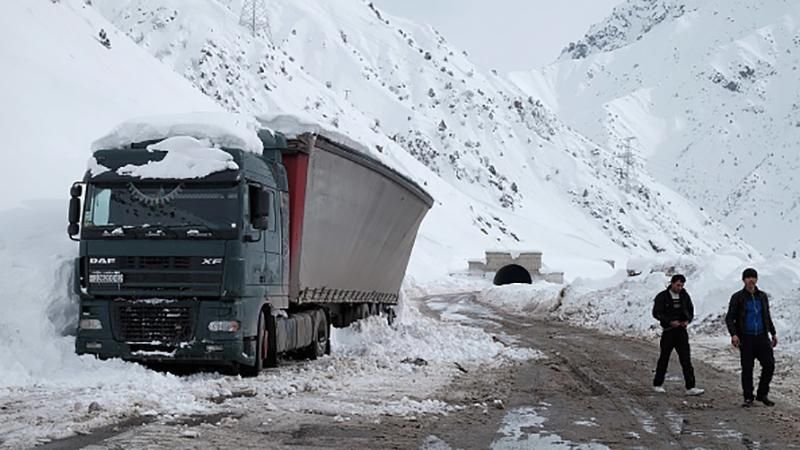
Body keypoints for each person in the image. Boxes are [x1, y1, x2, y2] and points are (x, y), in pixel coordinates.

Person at [725, 268, 778, 407]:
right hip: (746, 338)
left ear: (756, 279)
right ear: (743, 280)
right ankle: (748, 397)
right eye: (748, 277)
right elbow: (730, 318)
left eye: (753, 277)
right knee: (747, 368)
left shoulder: (762, 296)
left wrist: (773, 333)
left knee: (769, 365)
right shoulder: (738, 297)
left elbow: (766, 316)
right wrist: (734, 334)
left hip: (762, 336)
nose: (751, 280)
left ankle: (762, 394)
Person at [652, 274, 705, 396]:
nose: (680, 287)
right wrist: (669, 321)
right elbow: (656, 313)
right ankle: (658, 384)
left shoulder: (684, 296)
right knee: (664, 358)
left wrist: (687, 320)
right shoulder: (662, 296)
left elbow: (690, 310)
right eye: (678, 285)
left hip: (681, 331)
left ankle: (690, 386)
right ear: (672, 283)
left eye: (682, 285)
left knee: (686, 359)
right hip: (668, 331)